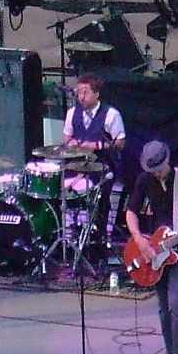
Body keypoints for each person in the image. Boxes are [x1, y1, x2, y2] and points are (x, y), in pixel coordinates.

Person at [125, 141, 178, 354]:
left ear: (167, 160)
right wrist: (139, 239)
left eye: (159, 168)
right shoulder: (144, 180)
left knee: (176, 300)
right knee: (162, 305)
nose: (156, 173)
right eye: (152, 170)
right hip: (156, 248)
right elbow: (131, 212)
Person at [62, 73, 126, 245]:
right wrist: (72, 143)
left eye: (86, 92)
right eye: (79, 92)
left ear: (97, 94)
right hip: (76, 166)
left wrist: (97, 146)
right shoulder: (71, 113)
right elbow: (66, 138)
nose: (81, 97)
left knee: (101, 202)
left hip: (102, 166)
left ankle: (100, 239)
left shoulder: (111, 114)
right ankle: (72, 234)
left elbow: (120, 142)